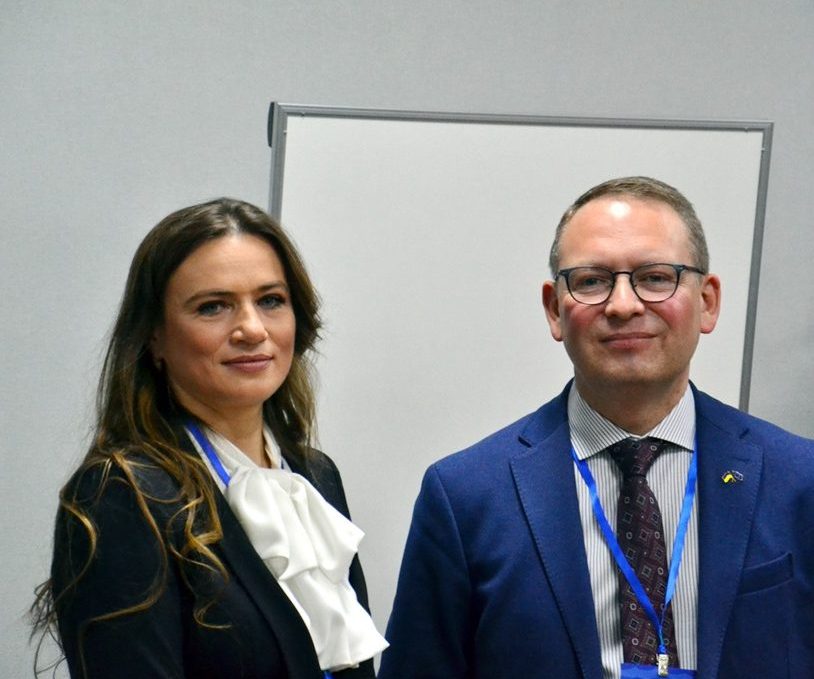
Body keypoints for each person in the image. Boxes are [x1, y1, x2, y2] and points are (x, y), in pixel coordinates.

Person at [378, 176, 814, 678]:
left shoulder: (798, 481)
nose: (623, 305)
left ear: (707, 302)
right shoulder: (466, 498)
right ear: (554, 309)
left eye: (656, 277)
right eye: (591, 281)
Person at [32, 198, 387, 678]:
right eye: (213, 307)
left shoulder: (315, 476)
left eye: (270, 300)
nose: (252, 329)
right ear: (154, 337)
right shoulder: (120, 494)